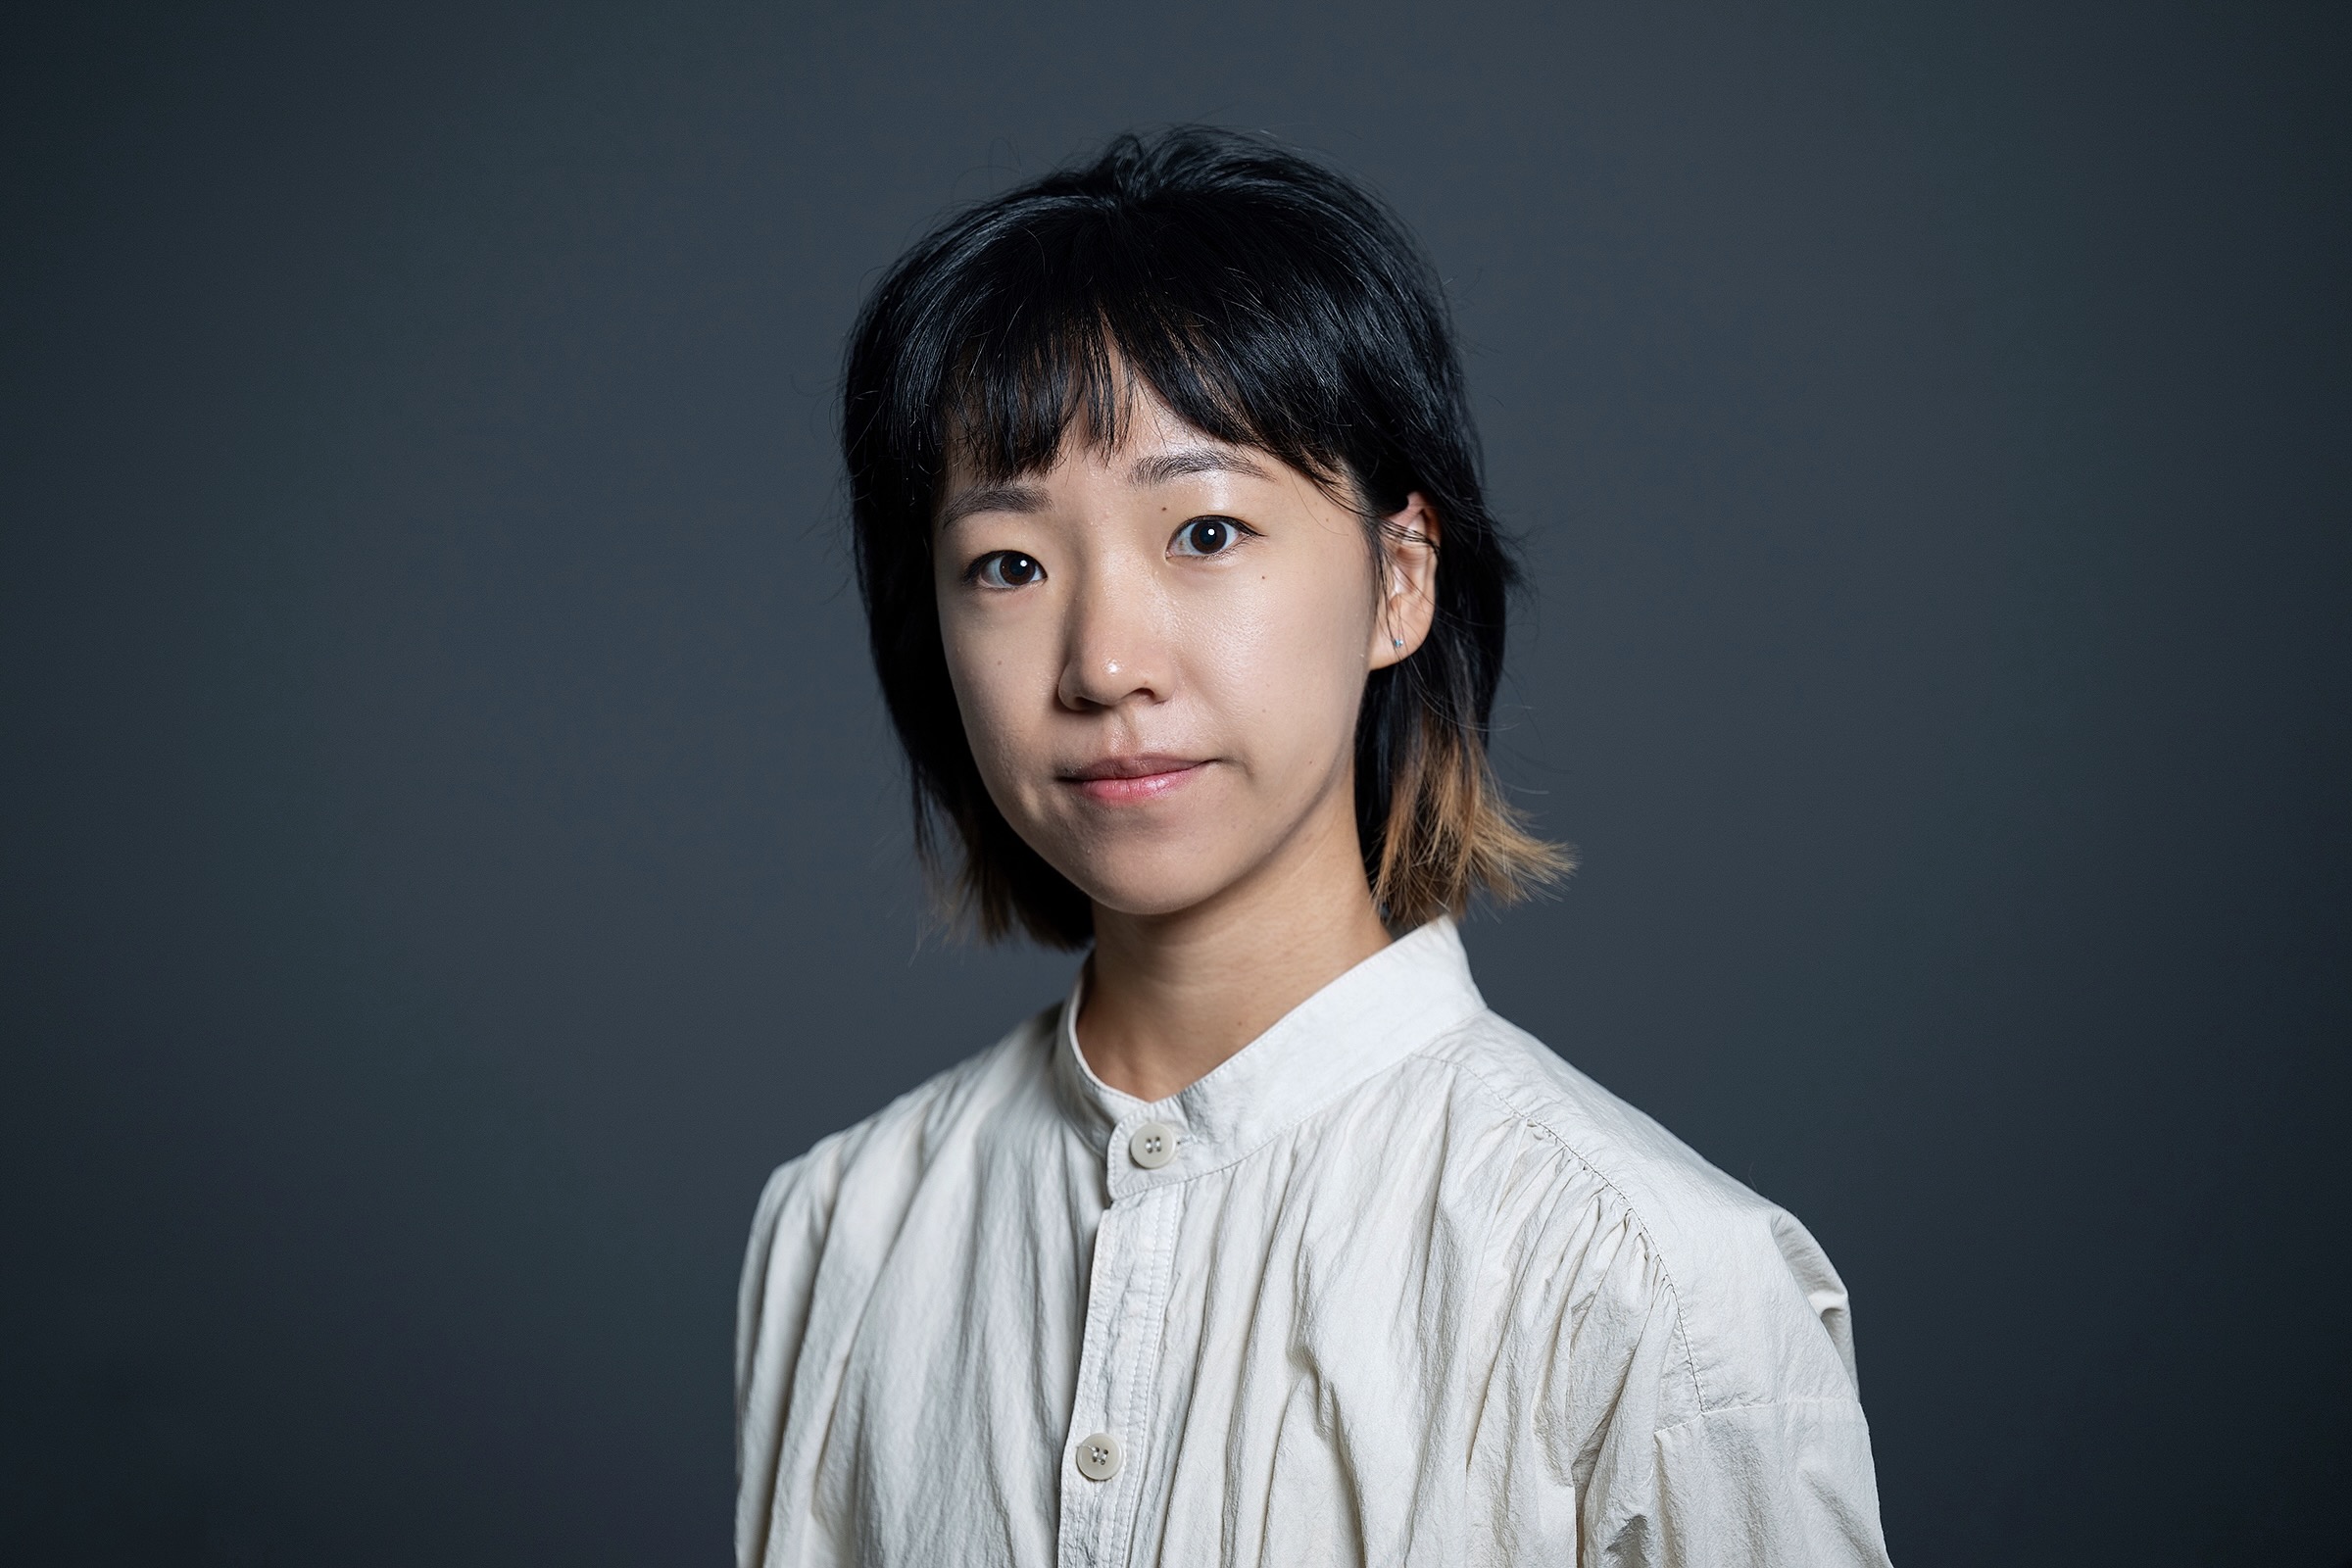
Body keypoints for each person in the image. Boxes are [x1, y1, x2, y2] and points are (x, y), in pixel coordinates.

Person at [735, 126, 1891, 1567]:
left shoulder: (1650, 1281)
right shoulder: (842, 1230)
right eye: (1010, 565)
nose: (1104, 662)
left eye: (1206, 531)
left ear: (1399, 580)